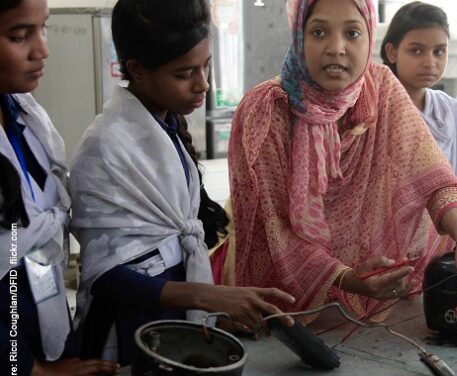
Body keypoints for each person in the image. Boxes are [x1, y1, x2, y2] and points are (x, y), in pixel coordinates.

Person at [228, 0, 457, 319]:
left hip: (374, 297)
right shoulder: (266, 110)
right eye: (319, 31)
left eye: (352, 33)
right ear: (298, 36)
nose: (336, 48)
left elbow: (431, 175)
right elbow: (274, 228)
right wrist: (347, 279)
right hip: (289, 305)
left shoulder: (380, 89)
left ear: (369, 40)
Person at [69, 0, 294, 366]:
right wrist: (208, 298)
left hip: (171, 315)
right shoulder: (105, 149)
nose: (202, 84)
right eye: (184, 73)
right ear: (138, 71)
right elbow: (106, 277)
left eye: (206, 66)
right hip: (125, 327)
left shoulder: (167, 125)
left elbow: (172, 253)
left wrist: (215, 307)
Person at [0, 0, 119, 374]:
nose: (43, 50)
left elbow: (35, 242)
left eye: (43, 28)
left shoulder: (25, 117)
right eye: (20, 36)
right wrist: (33, 369)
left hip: (39, 313)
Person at [381, 1, 457, 180]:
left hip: (447, 207)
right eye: (416, 50)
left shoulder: (450, 109)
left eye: (438, 52)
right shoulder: (377, 109)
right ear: (392, 52)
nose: (430, 63)